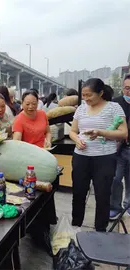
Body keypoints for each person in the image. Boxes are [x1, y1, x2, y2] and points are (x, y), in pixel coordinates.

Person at [69, 78, 127, 232]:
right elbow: (73, 131)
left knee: (102, 195)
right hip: (81, 157)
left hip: (105, 158)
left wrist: (100, 132)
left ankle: (100, 230)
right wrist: (77, 140)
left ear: (101, 93)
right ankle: (75, 227)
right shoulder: (81, 109)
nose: (86, 99)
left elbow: (123, 133)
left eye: (89, 95)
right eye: (84, 95)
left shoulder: (113, 108)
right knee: (78, 192)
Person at [110, 74, 130, 219]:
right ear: (123, 89)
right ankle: (115, 207)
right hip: (119, 149)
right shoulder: (115, 104)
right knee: (116, 179)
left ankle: (128, 205)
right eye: (127, 88)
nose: (129, 92)